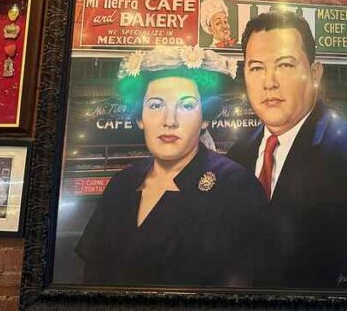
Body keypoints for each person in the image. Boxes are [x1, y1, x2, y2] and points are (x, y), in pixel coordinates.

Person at [78, 44, 268, 288]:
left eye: (187, 105)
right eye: (156, 105)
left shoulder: (236, 187)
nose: (170, 121)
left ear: (205, 118)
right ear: (140, 118)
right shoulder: (121, 184)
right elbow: (91, 278)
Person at [226, 12, 347, 291]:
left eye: (285, 65)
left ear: (315, 73)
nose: (269, 82)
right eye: (256, 68)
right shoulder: (238, 155)